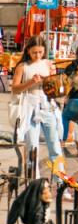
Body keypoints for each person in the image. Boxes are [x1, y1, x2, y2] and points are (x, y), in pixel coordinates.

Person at [11, 36, 64, 177]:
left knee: (55, 147)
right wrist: (30, 82)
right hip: (30, 109)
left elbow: (56, 88)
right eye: (34, 52)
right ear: (28, 51)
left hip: (47, 106)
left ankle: (60, 182)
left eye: (40, 52)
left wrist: (51, 80)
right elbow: (14, 89)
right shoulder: (23, 67)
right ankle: (34, 184)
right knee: (32, 149)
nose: (38, 55)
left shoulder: (48, 64)